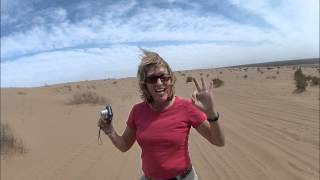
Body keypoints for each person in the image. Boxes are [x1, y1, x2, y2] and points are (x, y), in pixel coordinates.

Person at [98, 49, 225, 180]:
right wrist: (110, 131)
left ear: (170, 80)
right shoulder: (137, 111)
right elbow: (124, 145)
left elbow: (218, 141)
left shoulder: (186, 107)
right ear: (145, 84)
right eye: (152, 79)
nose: (159, 83)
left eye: (163, 77)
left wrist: (211, 113)